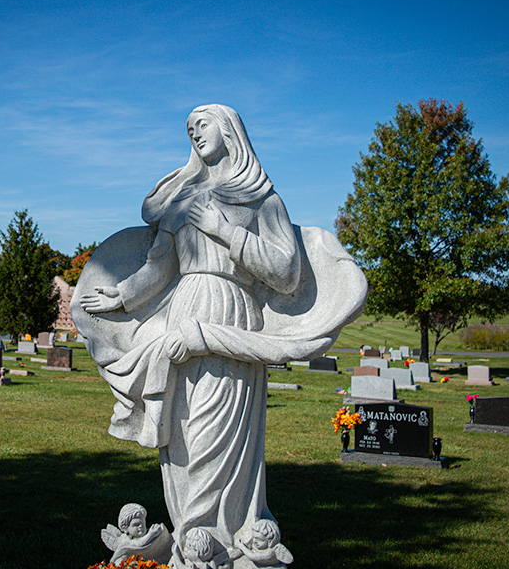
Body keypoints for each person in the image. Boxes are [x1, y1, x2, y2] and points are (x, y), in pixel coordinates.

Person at [76, 104, 367, 568]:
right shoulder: (183, 198)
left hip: (230, 317)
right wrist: (122, 297)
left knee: (220, 434)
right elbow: (160, 267)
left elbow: (286, 273)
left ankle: (224, 541)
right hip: (182, 312)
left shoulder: (260, 199)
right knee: (182, 434)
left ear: (229, 131)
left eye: (202, 123)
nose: (193, 132)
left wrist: (225, 231)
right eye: (188, 128)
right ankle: (189, 542)